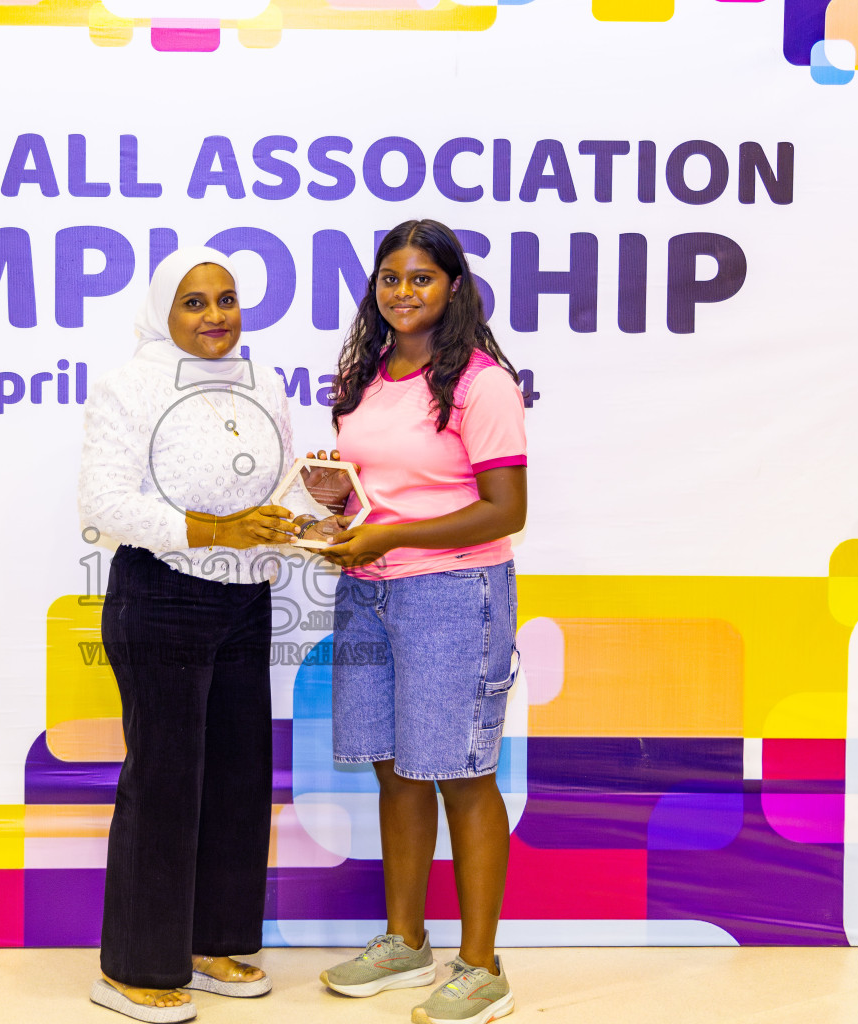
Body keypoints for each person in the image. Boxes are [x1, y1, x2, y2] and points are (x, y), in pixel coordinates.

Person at [78, 246, 333, 1022]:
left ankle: (213, 940)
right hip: (160, 596)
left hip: (245, 600)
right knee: (164, 783)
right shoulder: (128, 386)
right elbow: (105, 505)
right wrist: (216, 527)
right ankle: (132, 967)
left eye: (226, 299)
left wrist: (310, 508)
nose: (216, 315)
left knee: (234, 779)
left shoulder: (262, 384)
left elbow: (273, 493)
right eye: (195, 302)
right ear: (164, 312)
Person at [315, 220, 528, 1024]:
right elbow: (386, 489)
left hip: (452, 594)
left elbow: (507, 510)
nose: (403, 293)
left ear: (454, 288)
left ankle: (482, 968)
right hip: (368, 590)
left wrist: (394, 531)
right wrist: (339, 503)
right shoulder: (370, 374)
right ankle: (406, 942)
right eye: (391, 278)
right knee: (394, 768)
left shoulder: (483, 384)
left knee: (462, 772)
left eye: (422, 279)